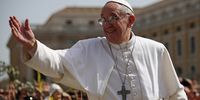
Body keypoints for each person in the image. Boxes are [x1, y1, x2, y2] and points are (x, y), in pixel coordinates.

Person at [9, 0, 188, 99]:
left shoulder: (156, 50)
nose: (106, 25)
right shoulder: (89, 48)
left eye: (113, 18)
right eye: (103, 20)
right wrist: (32, 46)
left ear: (131, 20)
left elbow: (175, 93)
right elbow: (58, 63)